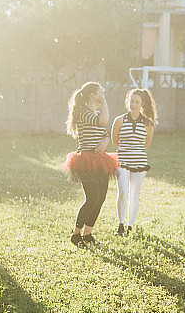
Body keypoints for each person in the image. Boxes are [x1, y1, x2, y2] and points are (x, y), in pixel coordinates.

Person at [62, 82, 117, 247]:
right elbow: (102, 122)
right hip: (87, 161)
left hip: (101, 161)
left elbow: (105, 131)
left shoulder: (96, 112)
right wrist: (105, 100)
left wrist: (106, 141)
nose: (102, 94)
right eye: (100, 92)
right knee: (92, 198)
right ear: (93, 95)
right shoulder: (83, 112)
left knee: (100, 198)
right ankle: (76, 234)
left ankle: (87, 234)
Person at [111, 88, 158, 236]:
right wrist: (127, 151)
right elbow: (115, 142)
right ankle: (121, 225)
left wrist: (135, 151)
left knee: (134, 194)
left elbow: (147, 143)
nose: (134, 104)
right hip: (122, 162)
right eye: (131, 101)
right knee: (123, 192)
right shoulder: (119, 120)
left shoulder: (148, 123)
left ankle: (130, 226)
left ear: (142, 104)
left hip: (140, 163)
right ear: (127, 102)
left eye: (137, 102)